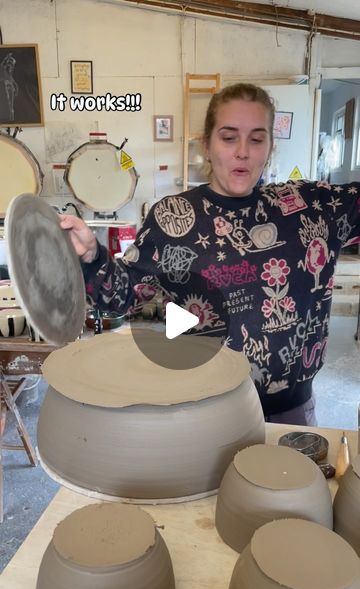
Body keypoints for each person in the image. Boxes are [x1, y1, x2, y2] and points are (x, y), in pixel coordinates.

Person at [60, 82, 360, 426]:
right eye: (229, 137)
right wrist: (91, 256)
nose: (243, 152)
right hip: (203, 412)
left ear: (270, 147)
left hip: (290, 414)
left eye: (257, 138)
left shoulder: (311, 208)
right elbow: (122, 297)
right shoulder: (173, 220)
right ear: (207, 144)